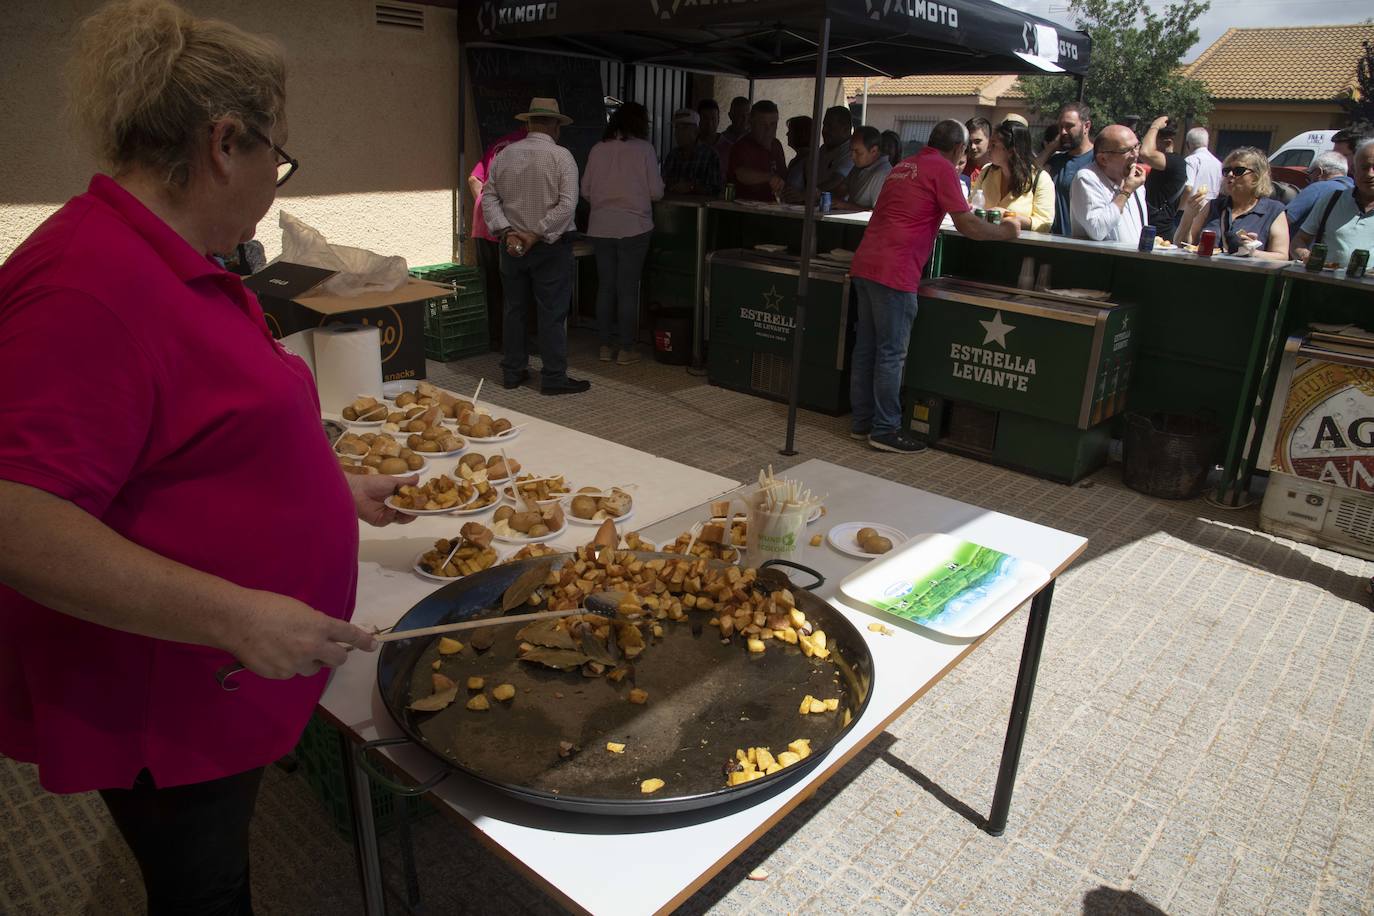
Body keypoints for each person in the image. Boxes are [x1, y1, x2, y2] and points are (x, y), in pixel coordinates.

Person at [0, 2, 415, 911]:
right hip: (171, 686)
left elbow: (188, 431)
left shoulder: (167, 256)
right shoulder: (88, 286)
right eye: (279, 160)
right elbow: (18, 518)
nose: (277, 185)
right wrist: (236, 617)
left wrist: (327, 487)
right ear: (225, 143)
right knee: (204, 890)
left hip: (212, 676)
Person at [848, 119, 1020, 454]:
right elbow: (968, 224)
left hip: (866, 263)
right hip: (895, 271)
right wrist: (1006, 232)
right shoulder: (941, 169)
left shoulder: (904, 166)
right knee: (890, 353)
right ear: (958, 149)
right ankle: (885, 430)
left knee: (866, 348)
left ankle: (862, 423)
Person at [483, 97, 589, 395]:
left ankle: (513, 372)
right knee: (552, 312)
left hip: (512, 244)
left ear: (527, 123)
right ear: (555, 125)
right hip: (550, 245)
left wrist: (506, 231)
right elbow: (568, 204)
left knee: (514, 309)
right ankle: (554, 377)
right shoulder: (562, 157)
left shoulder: (504, 155)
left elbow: (489, 197)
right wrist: (538, 233)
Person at [582, 102, 664, 366]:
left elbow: (586, 190)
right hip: (634, 227)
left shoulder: (598, 149)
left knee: (606, 287)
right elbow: (656, 192)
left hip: (601, 226)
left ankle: (605, 345)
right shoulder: (645, 150)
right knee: (627, 290)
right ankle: (626, 348)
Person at [468, 124, 527, 349]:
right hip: (507, 227)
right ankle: (513, 341)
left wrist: (482, 206)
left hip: (482, 223)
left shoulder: (499, 144)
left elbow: (473, 179)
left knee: (492, 284)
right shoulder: (529, 147)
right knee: (513, 287)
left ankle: (495, 339)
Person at [1175, 147, 1289, 260]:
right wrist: (1188, 215)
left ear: (1257, 176)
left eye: (1238, 171)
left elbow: (1282, 256)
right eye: (1226, 171)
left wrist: (1253, 252)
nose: (1230, 174)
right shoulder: (1213, 206)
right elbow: (1183, 244)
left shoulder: (1273, 210)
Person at [1293, 140, 1374, 270]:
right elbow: (1299, 241)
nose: (1370, 174)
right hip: (1324, 285)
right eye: (1364, 167)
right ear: (1353, 169)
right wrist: (1305, 255)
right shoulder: (1332, 200)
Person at [971, 119, 1053, 232]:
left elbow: (1044, 223)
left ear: (1011, 150)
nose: (988, 149)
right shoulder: (986, 172)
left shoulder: (1040, 179)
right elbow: (972, 206)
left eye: (993, 145)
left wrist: (1008, 216)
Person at [1070, 125, 1148, 242]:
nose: (1135, 155)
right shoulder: (1087, 178)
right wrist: (1126, 192)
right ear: (1103, 159)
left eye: (1136, 146)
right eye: (1126, 150)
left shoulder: (1135, 183)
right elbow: (1097, 230)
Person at [1039, 101, 1094, 235]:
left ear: (1086, 126)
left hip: (1081, 245)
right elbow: (1028, 177)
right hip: (1053, 241)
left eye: (1069, 126)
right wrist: (1050, 148)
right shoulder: (1056, 161)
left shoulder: (1098, 160)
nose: (1063, 132)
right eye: (1061, 127)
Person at [726, 99, 787, 202]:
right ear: (751, 123)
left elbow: (783, 175)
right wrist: (769, 177)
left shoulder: (776, 145)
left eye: (773, 124)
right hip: (744, 211)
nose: (768, 130)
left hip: (772, 209)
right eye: (762, 124)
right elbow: (741, 174)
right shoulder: (741, 146)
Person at [1139, 116, 1188, 236]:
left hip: (1159, 232)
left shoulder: (1176, 162)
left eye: (1151, 141)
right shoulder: (1166, 164)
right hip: (1152, 227)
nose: (1149, 144)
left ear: (1167, 143)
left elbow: (1145, 153)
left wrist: (1154, 126)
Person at [1285, 151, 1352, 230]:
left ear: (1319, 172)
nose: (1308, 178)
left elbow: (1285, 220)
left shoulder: (1317, 188)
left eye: (1310, 172)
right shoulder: (1353, 191)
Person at [662, 107, 721, 196]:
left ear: (696, 130)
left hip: (699, 209)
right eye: (677, 128)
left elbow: (715, 190)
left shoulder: (710, 156)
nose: (679, 133)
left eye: (684, 128)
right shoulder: (672, 155)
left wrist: (692, 187)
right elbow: (663, 183)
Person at [834, 126, 893, 210]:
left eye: (858, 152)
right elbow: (842, 189)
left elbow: (878, 212)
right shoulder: (859, 166)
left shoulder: (882, 174)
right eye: (851, 150)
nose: (852, 156)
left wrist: (845, 205)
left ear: (873, 151)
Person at [816, 106, 855, 192]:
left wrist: (806, 195)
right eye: (824, 125)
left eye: (830, 126)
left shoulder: (853, 151)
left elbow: (835, 181)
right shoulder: (823, 150)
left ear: (845, 129)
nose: (824, 130)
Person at [1183, 127, 1223, 204]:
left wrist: (1180, 208)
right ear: (1207, 142)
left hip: (1193, 207)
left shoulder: (1190, 160)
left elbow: (1188, 187)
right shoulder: (1218, 164)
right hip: (1211, 208)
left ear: (1188, 144)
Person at [782, 115, 813, 201]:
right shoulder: (795, 160)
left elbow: (816, 189)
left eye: (790, 131)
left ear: (800, 133)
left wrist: (802, 196)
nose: (787, 134)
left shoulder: (810, 160)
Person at [716, 95, 751, 163]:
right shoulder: (721, 140)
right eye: (740, 115)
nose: (745, 119)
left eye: (747, 115)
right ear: (731, 116)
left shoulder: (756, 139)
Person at [964, 117, 992, 184]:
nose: (972, 147)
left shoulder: (998, 169)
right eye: (969, 142)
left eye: (977, 141)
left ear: (990, 141)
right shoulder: (960, 167)